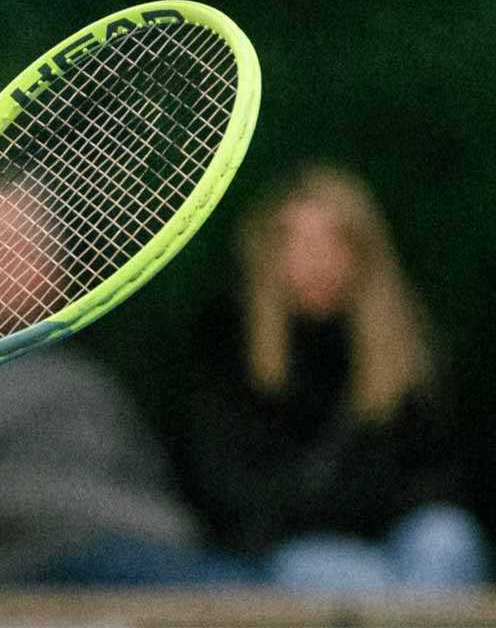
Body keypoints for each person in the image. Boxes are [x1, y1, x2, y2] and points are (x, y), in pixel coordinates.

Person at [0, 181, 257, 586]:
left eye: (25, 249)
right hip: (13, 575)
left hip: (143, 558)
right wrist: (56, 502)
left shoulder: (86, 376)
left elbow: (157, 496)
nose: (4, 266)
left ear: (55, 271)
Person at [177, 161, 488, 592]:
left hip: (399, 543)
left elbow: (443, 479)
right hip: (293, 550)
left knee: (447, 540)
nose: (317, 260)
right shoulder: (229, 349)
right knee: (343, 575)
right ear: (267, 253)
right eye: (297, 242)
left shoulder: (411, 353)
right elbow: (228, 491)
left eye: (334, 241)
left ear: (364, 253)